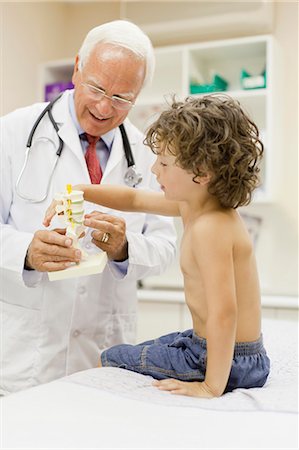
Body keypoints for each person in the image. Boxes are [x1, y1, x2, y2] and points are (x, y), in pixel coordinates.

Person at [45, 94, 270, 398]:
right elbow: (134, 199)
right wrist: (79, 191)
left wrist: (210, 387)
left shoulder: (209, 228)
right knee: (141, 349)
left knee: (109, 359)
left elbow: (224, 313)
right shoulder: (198, 205)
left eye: (164, 162)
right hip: (221, 348)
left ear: (201, 173)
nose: (154, 170)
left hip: (231, 361)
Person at [0, 20, 176, 395]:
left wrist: (125, 248)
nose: (103, 106)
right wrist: (26, 252)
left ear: (138, 95)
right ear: (78, 66)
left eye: (121, 97)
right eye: (97, 87)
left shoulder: (147, 154)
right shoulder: (14, 133)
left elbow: (165, 246)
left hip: (104, 352)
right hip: (25, 357)